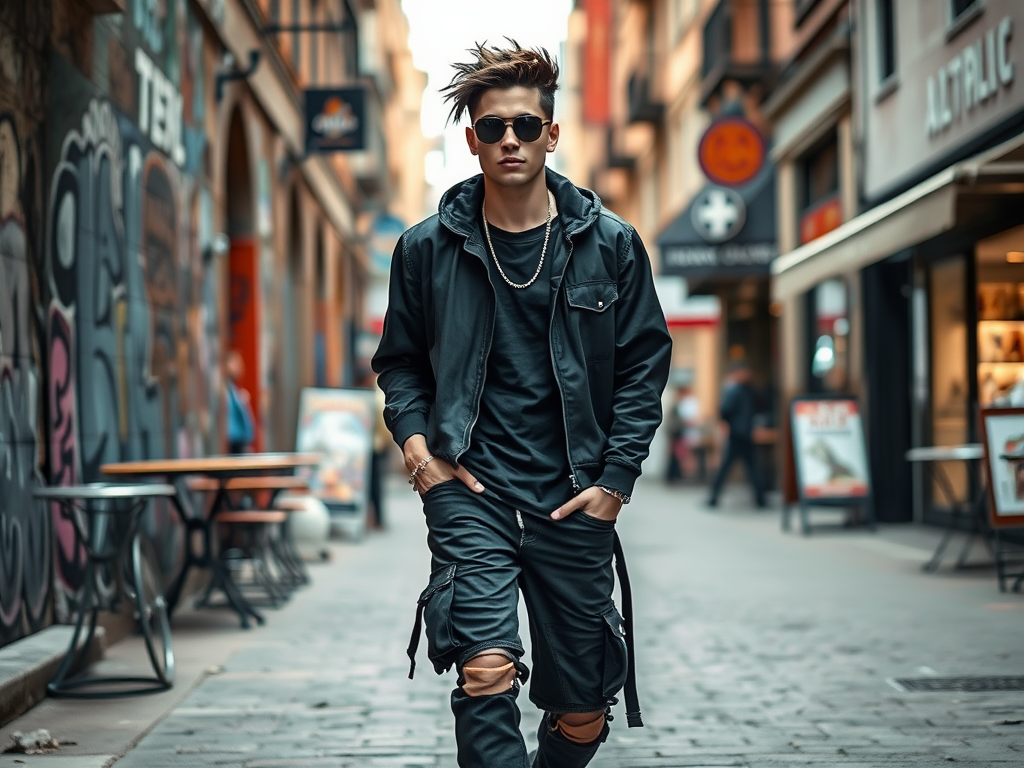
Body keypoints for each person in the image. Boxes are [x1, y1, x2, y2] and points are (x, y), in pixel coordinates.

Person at [372, 41, 672, 768]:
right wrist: (418, 450)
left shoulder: (612, 246)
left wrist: (615, 482)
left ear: (552, 134)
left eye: (526, 126)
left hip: (574, 493)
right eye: (494, 127)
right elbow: (400, 365)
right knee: (484, 672)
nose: (511, 139)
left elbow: (643, 368)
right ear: (471, 138)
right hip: (469, 488)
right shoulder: (425, 250)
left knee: (580, 709)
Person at [706, 361, 765, 508]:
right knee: (733, 466)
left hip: (743, 433)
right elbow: (725, 410)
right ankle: (714, 497)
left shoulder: (745, 389)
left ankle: (760, 498)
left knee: (747, 466)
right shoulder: (734, 389)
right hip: (738, 434)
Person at [225, 350, 255, 454]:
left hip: (240, 442)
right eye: (236, 362)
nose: (241, 366)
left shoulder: (235, 390)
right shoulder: (226, 391)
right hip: (233, 443)